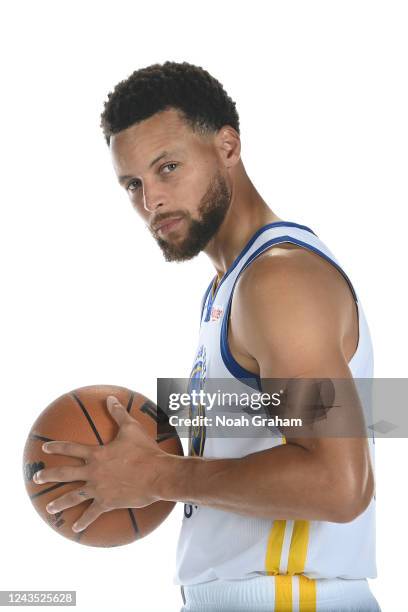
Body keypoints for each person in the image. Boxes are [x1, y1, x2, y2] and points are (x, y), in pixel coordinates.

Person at [35, 61, 381, 611]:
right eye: (133, 185)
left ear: (227, 146)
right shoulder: (229, 287)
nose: (151, 201)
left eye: (167, 167)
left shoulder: (280, 280)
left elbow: (340, 486)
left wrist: (158, 475)